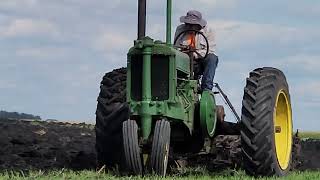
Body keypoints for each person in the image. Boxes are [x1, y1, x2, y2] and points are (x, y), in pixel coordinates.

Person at [174, 10, 218, 91]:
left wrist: (195, 54)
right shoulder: (180, 29)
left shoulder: (208, 31)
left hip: (201, 61)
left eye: (192, 25)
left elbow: (210, 49)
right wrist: (185, 54)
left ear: (199, 25)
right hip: (184, 60)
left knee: (212, 58)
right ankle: (176, 86)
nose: (190, 27)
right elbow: (176, 47)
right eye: (188, 24)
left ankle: (206, 89)